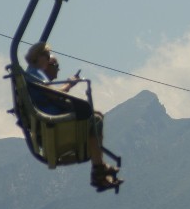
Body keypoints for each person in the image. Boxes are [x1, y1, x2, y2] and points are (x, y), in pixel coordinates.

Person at [24, 42, 122, 192]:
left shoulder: (31, 74)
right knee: (95, 120)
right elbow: (53, 94)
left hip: (51, 118)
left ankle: (99, 168)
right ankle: (98, 169)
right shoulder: (34, 74)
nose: (48, 59)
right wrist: (69, 84)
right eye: (46, 56)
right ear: (39, 57)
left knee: (96, 116)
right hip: (53, 121)